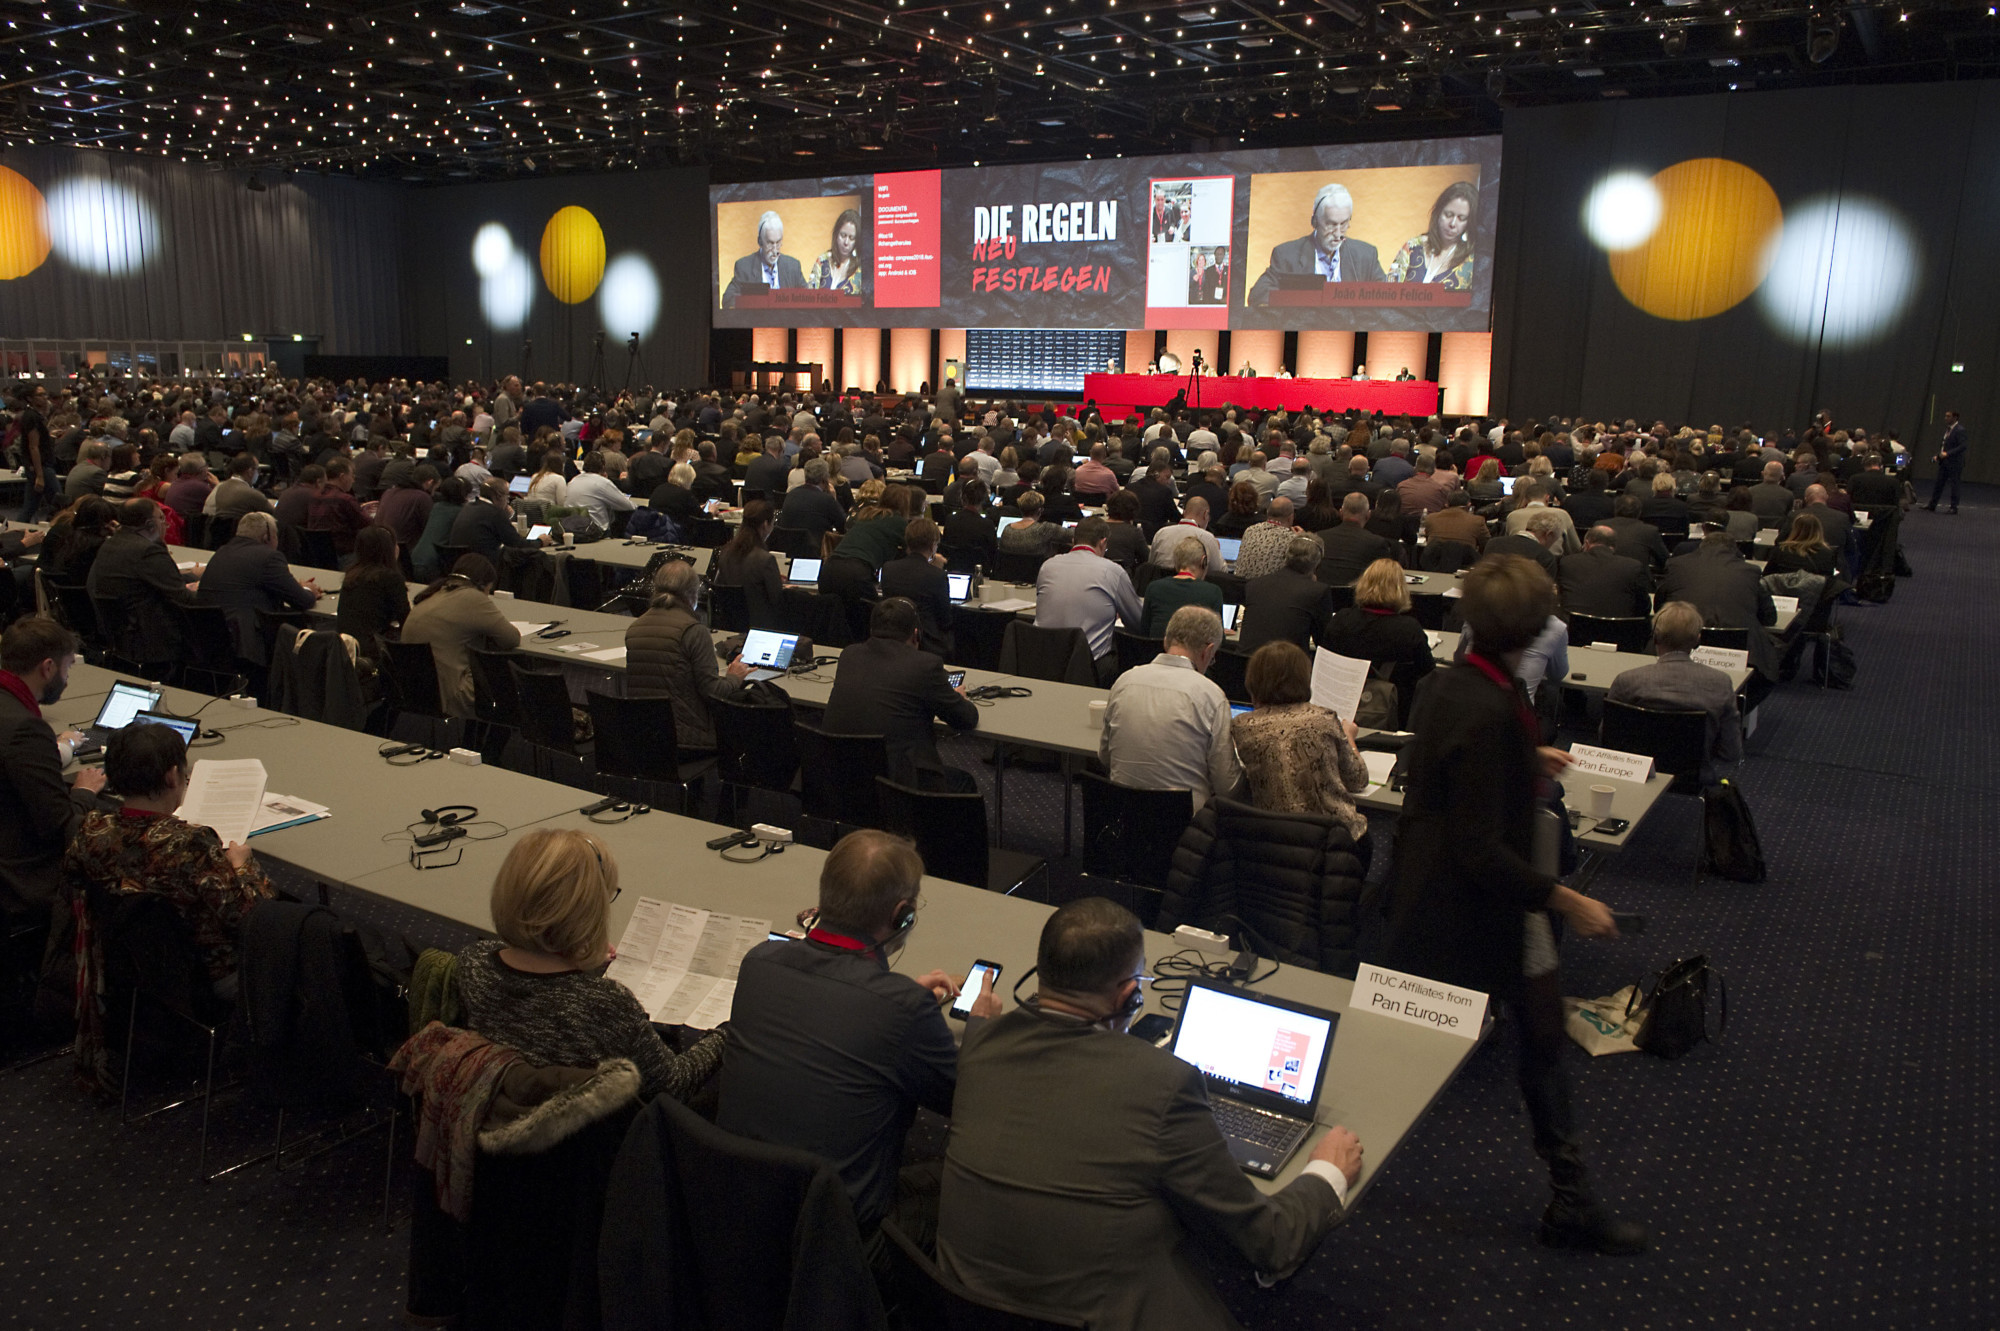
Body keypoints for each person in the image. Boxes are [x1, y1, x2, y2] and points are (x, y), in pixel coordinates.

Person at [1383, 554, 1645, 1256]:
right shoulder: (1496, 706)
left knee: (1508, 1041)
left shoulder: (1451, 683)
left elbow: (1450, 773)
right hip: (1480, 897)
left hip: (1425, 889)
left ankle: (1572, 1196)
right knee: (1537, 1042)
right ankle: (1572, 1199)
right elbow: (1479, 849)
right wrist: (1568, 898)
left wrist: (1529, 763)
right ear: (1534, 630)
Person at [935, 897, 1361, 1328]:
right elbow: (1268, 1240)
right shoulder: (1165, 1083)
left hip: (964, 1307)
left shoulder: (981, 1044)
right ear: (1129, 995)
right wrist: (1327, 1174)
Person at [719, 829, 997, 1255]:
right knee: (977, 1184)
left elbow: (833, 1011)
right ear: (902, 914)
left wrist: (900, 998)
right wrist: (980, 1027)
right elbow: (973, 1105)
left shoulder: (758, 962)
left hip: (741, 1210)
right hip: (838, 1242)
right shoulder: (902, 1010)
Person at [455, 828, 724, 1102]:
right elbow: (674, 1084)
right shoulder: (606, 1005)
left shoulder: (473, 964)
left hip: (498, 1117)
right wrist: (726, 1035)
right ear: (588, 910)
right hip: (587, 1137)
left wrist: (581, 955)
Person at [63, 721, 273, 1050]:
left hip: (125, 971)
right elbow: (251, 915)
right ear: (172, 776)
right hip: (205, 978)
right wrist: (242, 864)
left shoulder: (91, 831)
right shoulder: (191, 844)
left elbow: (76, 883)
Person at [0, 617, 108, 920]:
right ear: (48, 668)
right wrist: (84, 792)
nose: (67, 677)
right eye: (67, 667)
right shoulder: (27, 729)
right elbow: (61, 828)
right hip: (22, 880)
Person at [1231, 641, 1371, 853]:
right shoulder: (1324, 718)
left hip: (1278, 845)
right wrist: (1349, 737)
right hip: (1337, 843)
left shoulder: (1242, 726)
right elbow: (1357, 779)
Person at [823, 598, 979, 788]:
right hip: (898, 783)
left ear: (871, 631)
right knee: (965, 782)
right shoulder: (926, 665)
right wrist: (958, 698)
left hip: (842, 775)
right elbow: (966, 720)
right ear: (916, 634)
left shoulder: (849, 655)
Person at [1100, 605, 1242, 809]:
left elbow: (1105, 756)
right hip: (1185, 829)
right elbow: (1226, 787)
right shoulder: (1211, 695)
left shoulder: (1125, 681)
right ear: (1208, 651)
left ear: (1166, 642)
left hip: (1121, 819)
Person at [1605, 601, 1743, 785]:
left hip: (1635, 773)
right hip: (1695, 777)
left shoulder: (1626, 681)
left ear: (1655, 638)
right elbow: (1731, 751)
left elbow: (1606, 737)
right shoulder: (1721, 683)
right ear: (1697, 640)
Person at [625, 560, 750, 755]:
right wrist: (735, 677)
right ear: (693, 593)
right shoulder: (693, 631)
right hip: (686, 739)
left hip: (643, 733)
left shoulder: (635, 627)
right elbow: (713, 693)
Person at [401, 553, 521, 718]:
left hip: (416, 691)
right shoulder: (472, 598)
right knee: (508, 687)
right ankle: (485, 740)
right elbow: (511, 639)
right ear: (481, 585)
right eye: (488, 591)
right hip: (451, 693)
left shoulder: (433, 594)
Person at [195, 511, 322, 661]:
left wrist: (289, 584)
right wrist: (308, 589)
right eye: (276, 536)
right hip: (247, 643)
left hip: (210, 639)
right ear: (266, 537)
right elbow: (303, 600)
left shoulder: (222, 552)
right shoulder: (269, 557)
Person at [1658, 524, 1779, 678]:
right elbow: (1769, 617)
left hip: (1680, 643)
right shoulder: (1750, 571)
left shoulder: (1676, 565)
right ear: (1735, 550)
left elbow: (1660, 607)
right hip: (1738, 656)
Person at [1323, 557, 1435, 724]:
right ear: (1401, 589)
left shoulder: (1341, 620)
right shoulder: (1408, 629)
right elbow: (1428, 672)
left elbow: (1326, 663)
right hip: (1394, 712)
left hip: (1341, 708)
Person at [87, 498, 196, 665]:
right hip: (151, 638)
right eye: (161, 518)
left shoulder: (111, 544)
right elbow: (184, 598)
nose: (165, 523)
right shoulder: (147, 551)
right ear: (149, 524)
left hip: (121, 633)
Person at [1034, 517, 1143, 678]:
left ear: (1073, 540)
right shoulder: (1112, 571)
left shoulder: (1047, 566)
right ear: (1102, 543)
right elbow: (1138, 623)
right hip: (1090, 666)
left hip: (1042, 660)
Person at [1247, 182, 1385, 306]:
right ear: (1315, 222)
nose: (1338, 233)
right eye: (1331, 225)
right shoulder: (1286, 255)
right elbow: (1258, 294)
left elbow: (1386, 297)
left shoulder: (1366, 255)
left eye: (1343, 224)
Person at [1241, 535, 1333, 653]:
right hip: (1287, 667)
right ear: (1317, 562)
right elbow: (1323, 642)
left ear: (1286, 556)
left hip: (1244, 666)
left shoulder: (1254, 585)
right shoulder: (1318, 591)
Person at [334, 524, 410, 663]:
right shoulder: (391, 578)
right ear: (390, 548)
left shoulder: (351, 576)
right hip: (374, 651)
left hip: (344, 648)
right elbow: (406, 621)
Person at [878, 518, 954, 656]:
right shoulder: (937, 575)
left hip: (893, 637)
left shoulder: (888, 568)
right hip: (927, 643)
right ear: (932, 546)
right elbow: (945, 620)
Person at [1388, 181, 1477, 288]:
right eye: (1448, 215)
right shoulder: (1413, 246)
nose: (1453, 224)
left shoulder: (1472, 261)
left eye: (1461, 218)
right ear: (1438, 212)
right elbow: (1390, 292)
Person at [1558, 524, 1652, 619]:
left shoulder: (1567, 563)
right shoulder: (1633, 567)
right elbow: (1644, 608)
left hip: (1574, 629)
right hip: (1618, 631)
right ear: (1614, 547)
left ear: (1586, 544)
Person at [447, 477, 548, 565]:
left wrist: (506, 517)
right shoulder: (494, 513)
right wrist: (540, 542)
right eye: (507, 496)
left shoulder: (468, 507)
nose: (508, 501)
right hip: (485, 564)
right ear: (499, 496)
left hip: (462, 562)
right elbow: (517, 544)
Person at [1140, 537, 1225, 637]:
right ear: (1203, 561)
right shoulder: (1213, 592)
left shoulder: (1153, 588)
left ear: (1176, 562)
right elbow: (1219, 641)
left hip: (1157, 651)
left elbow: (1144, 631)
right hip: (1194, 651)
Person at [723, 209, 806, 306]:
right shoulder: (744, 267)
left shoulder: (793, 266)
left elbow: (807, 298)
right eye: (770, 243)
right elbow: (728, 300)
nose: (775, 250)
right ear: (760, 241)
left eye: (778, 242)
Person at [1316, 490, 1397, 587]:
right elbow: (1384, 580)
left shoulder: (1320, 538)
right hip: (1357, 598)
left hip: (1323, 598)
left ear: (1341, 513)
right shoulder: (1377, 543)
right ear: (1368, 515)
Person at [307, 457, 370, 565]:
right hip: (345, 555)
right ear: (342, 477)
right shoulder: (345, 499)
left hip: (317, 555)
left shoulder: (314, 496)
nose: (353, 479)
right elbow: (367, 524)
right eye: (352, 475)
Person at [777, 457, 849, 550]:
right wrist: (834, 499)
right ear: (825, 478)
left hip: (788, 548)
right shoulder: (826, 500)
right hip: (816, 551)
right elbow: (844, 527)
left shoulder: (791, 494)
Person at [565, 450, 636, 530]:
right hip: (594, 530)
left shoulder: (573, 481)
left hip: (570, 527)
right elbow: (628, 506)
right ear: (603, 467)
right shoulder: (602, 482)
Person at [807, 208, 868, 297]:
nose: (846, 242)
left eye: (851, 238)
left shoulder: (860, 271)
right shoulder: (822, 261)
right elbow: (810, 296)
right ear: (836, 234)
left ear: (857, 241)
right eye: (843, 235)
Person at [1765, 512, 1837, 578]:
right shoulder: (1828, 553)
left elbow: (1767, 575)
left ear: (1794, 530)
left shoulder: (1781, 550)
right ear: (1819, 530)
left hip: (1783, 590)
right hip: (1813, 591)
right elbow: (1828, 580)